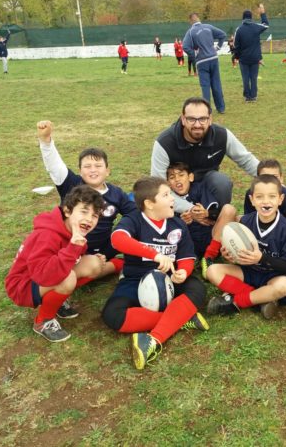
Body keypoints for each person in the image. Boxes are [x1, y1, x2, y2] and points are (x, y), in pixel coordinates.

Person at [101, 177, 208, 370]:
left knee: (197, 288)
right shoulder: (133, 220)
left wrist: (183, 272)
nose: (172, 199)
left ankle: (153, 340)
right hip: (136, 278)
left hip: (171, 278)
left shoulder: (177, 224)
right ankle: (181, 319)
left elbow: (186, 256)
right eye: (166, 195)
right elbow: (118, 239)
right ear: (149, 204)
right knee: (112, 314)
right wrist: (154, 254)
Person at [36, 120, 136, 293]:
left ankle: (106, 267)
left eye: (98, 166)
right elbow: (55, 166)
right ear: (80, 171)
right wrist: (46, 141)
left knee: (111, 261)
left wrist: (114, 243)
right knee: (69, 271)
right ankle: (74, 280)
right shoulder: (71, 185)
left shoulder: (116, 193)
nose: (93, 170)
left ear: (107, 170)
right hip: (69, 248)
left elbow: (134, 214)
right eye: (87, 166)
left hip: (102, 250)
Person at [5, 185, 106, 342]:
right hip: (23, 285)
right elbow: (44, 274)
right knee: (68, 278)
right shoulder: (47, 234)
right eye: (84, 211)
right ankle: (43, 321)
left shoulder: (74, 231)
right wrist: (73, 248)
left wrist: (80, 253)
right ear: (67, 211)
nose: (89, 219)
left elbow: (72, 260)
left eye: (94, 215)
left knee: (94, 264)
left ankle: (56, 300)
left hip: (45, 276)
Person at [206, 174, 286, 320]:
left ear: (280, 200)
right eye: (260, 197)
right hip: (247, 272)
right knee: (212, 271)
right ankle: (261, 299)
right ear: (252, 200)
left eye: (272, 196)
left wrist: (262, 257)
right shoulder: (245, 221)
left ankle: (236, 301)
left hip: (272, 276)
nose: (265, 201)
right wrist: (229, 255)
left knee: (285, 286)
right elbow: (238, 254)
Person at [151, 96, 259, 214]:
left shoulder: (222, 135)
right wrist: (190, 209)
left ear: (210, 119)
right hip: (178, 190)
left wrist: (272, 179)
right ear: (183, 119)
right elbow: (158, 187)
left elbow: (246, 159)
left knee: (221, 182)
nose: (197, 125)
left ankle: (216, 219)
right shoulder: (164, 143)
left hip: (207, 185)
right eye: (191, 119)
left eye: (203, 119)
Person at [166, 161, 238, 262]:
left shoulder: (199, 189)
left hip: (211, 238)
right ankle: (189, 260)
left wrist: (207, 213)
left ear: (190, 177)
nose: (177, 179)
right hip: (188, 244)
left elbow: (215, 212)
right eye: (172, 177)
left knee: (230, 210)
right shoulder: (167, 198)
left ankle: (209, 257)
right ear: (168, 184)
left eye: (181, 175)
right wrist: (182, 222)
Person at [243, 159, 286, 243]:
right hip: (262, 223)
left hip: (285, 226)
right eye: (265, 177)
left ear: (281, 178)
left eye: (274, 177)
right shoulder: (251, 193)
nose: (270, 181)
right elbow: (249, 218)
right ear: (257, 178)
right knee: (238, 220)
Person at [183, 12, 227, 114]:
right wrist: (218, 47)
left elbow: (185, 46)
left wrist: (194, 55)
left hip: (202, 61)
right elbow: (223, 35)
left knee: (205, 86)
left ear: (190, 21)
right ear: (198, 18)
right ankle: (221, 108)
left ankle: (207, 110)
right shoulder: (209, 27)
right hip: (213, 58)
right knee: (216, 83)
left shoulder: (190, 32)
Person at [233, 4, 269, 103]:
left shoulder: (239, 29)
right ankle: (253, 96)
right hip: (255, 58)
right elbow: (266, 24)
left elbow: (236, 45)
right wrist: (262, 13)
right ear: (251, 17)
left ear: (243, 18)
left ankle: (247, 96)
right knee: (253, 78)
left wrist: (237, 57)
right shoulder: (256, 27)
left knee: (245, 78)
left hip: (243, 59)